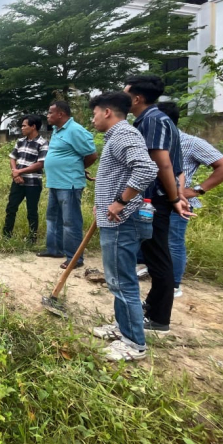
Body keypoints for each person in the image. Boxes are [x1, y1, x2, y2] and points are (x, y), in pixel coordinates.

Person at [88, 92, 158, 361]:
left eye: (94, 114)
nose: (92, 119)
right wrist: (103, 201)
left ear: (107, 112)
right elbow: (124, 173)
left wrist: (119, 202)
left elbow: (146, 169)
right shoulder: (117, 137)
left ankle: (134, 344)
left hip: (122, 222)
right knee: (119, 277)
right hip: (114, 219)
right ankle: (122, 327)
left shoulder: (124, 135)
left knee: (122, 280)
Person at [125, 75, 192, 335]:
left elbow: (162, 163)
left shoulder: (152, 120)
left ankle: (158, 318)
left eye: (126, 93)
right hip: (155, 198)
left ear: (137, 98)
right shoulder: (151, 119)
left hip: (155, 201)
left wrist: (175, 197)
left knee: (158, 258)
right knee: (155, 255)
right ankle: (153, 305)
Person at [157, 102, 223, 297]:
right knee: (155, 239)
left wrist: (197, 190)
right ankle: (158, 273)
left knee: (174, 241)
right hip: (155, 200)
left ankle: (173, 284)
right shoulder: (154, 142)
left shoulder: (191, 143)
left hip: (179, 202)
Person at [39, 101, 97, 269]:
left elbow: (91, 155)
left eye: (50, 112)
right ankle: (55, 249)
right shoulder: (57, 130)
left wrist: (78, 169)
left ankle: (75, 258)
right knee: (53, 218)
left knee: (70, 222)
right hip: (55, 183)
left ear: (61, 114)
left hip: (69, 183)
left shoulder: (75, 130)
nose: (48, 115)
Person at [4, 115, 49, 243]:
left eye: (24, 125)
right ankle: (6, 235)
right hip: (18, 181)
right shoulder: (20, 141)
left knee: (32, 211)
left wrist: (19, 171)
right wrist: (16, 174)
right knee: (11, 207)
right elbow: (12, 157)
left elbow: (40, 164)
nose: (21, 128)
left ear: (33, 126)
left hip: (33, 183)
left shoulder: (43, 143)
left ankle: (32, 238)